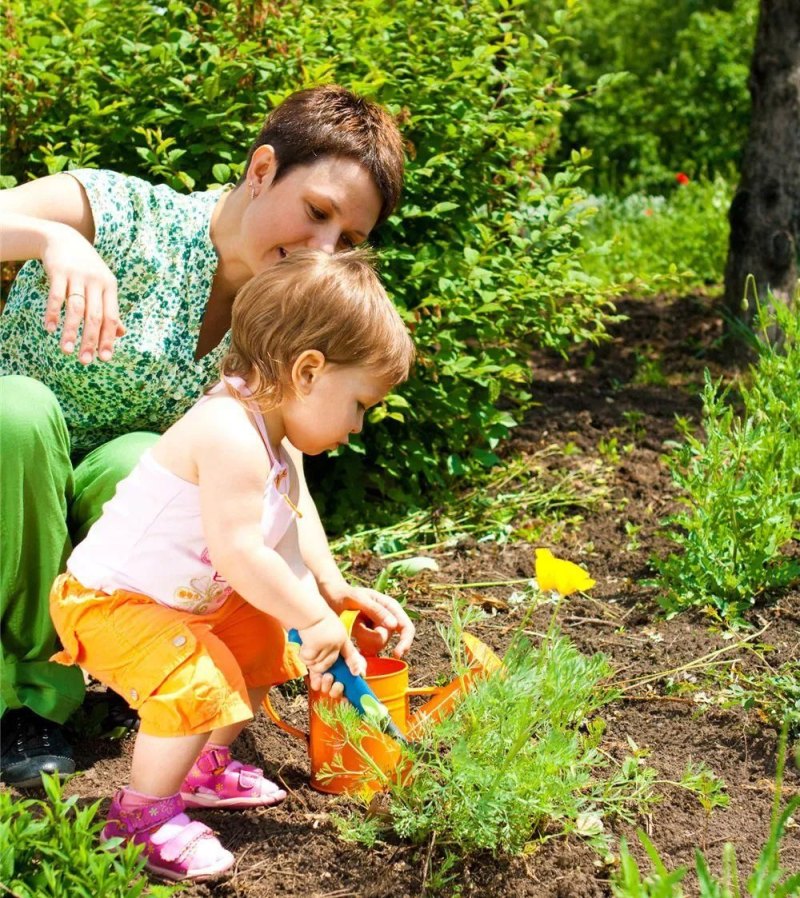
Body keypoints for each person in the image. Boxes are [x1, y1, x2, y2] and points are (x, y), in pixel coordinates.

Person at [0, 85, 410, 786]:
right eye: (316, 213)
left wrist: (329, 585)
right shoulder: (131, 216)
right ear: (260, 170)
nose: (323, 247)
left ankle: (139, 675)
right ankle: (20, 701)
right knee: (21, 414)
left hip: (108, 522)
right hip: (12, 472)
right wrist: (53, 238)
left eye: (348, 239)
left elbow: (281, 472)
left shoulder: (282, 311)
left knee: (139, 456)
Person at [48, 248, 415, 881]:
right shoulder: (228, 432)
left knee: (264, 637)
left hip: (180, 600)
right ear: (307, 371)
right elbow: (240, 552)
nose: (358, 425)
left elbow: (284, 543)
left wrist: (326, 601)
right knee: (201, 673)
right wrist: (315, 620)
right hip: (109, 602)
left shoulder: (274, 440)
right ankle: (138, 816)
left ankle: (200, 770)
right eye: (359, 403)